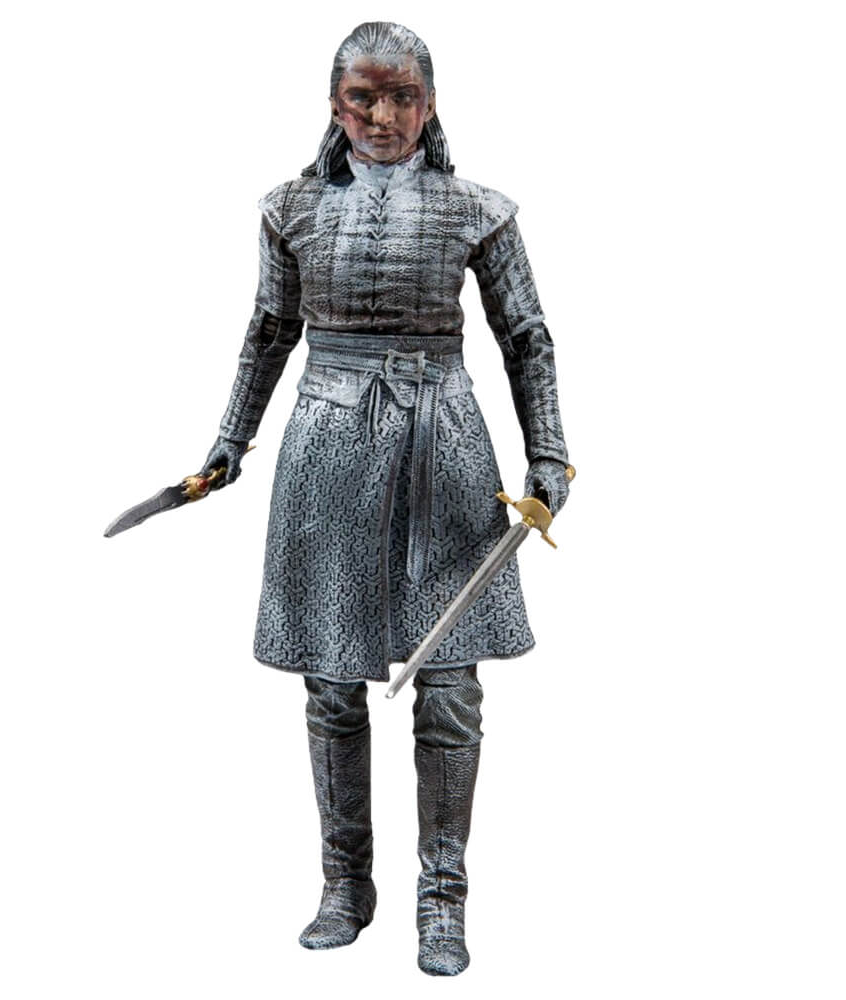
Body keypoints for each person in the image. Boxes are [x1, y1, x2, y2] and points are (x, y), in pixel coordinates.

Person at [200, 22, 572, 977]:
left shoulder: (477, 210)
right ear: (335, 105)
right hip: (327, 452)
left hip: (444, 448)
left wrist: (549, 453)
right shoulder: (290, 209)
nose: (382, 115)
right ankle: (344, 886)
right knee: (332, 683)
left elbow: (526, 336)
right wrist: (229, 440)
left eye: (402, 96)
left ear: (430, 104)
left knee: (448, 689)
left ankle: (441, 901)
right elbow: (269, 330)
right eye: (363, 97)